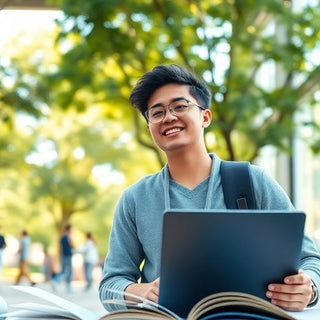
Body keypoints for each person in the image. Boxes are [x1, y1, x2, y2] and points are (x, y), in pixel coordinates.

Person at [99, 64, 320, 312]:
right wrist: (142, 290)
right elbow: (110, 285)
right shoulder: (135, 199)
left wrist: (309, 288)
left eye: (180, 106)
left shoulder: (253, 181)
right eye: (157, 112)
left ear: (205, 117)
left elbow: (310, 259)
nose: (169, 117)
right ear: (150, 126)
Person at [53, 224, 74, 292]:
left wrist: (59, 256)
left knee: (63, 271)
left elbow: (59, 248)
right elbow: (72, 245)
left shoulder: (62, 237)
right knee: (69, 271)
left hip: (63, 256)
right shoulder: (68, 236)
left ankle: (55, 280)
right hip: (68, 255)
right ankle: (68, 286)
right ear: (69, 229)